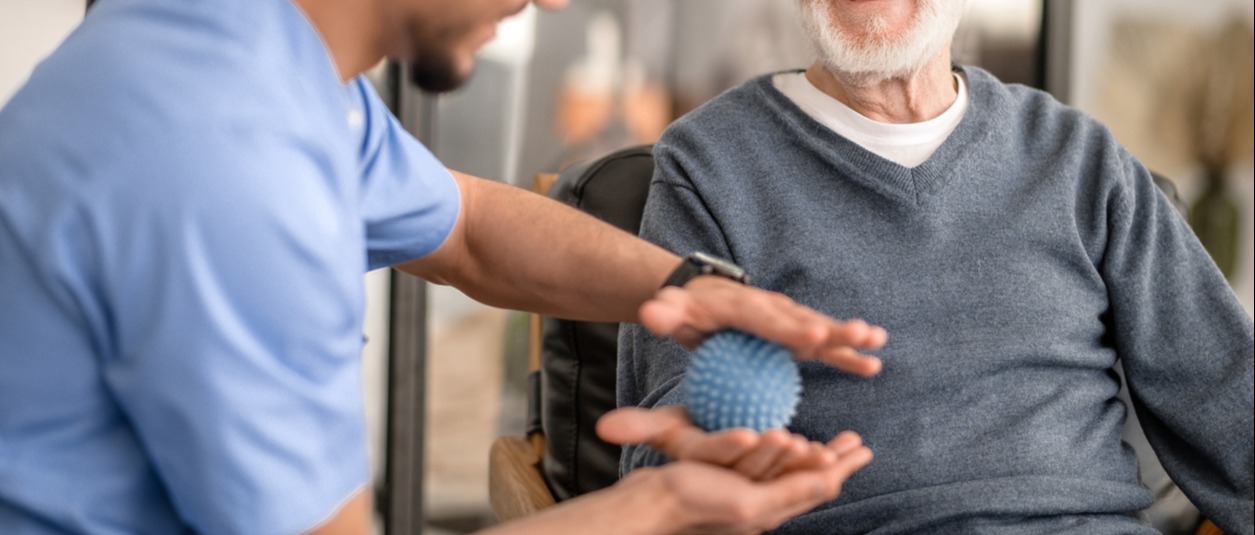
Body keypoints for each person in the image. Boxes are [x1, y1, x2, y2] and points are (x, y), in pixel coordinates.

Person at [0, 0, 891, 533]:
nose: (552, 1)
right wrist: (664, 509)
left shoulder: (251, 48)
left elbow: (467, 228)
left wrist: (689, 290)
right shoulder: (228, 165)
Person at [618, 0, 1255, 534]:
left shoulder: (1080, 157)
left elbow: (1232, 405)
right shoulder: (708, 165)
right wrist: (723, 461)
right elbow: (663, 454)